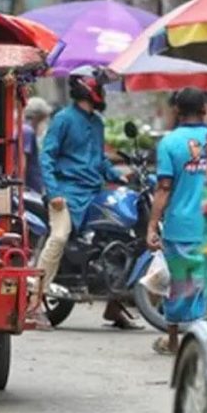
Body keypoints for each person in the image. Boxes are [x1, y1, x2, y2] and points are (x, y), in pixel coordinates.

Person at [36, 66, 137, 329]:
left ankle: (114, 307)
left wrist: (119, 175)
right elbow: (47, 156)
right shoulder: (64, 119)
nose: (103, 92)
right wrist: (54, 193)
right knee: (58, 236)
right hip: (66, 192)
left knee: (120, 236)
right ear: (88, 87)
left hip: (93, 191)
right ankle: (33, 302)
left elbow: (99, 159)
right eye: (100, 87)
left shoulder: (97, 123)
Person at [146, 88, 207, 354]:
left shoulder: (170, 143)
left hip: (179, 227)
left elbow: (163, 187)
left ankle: (173, 341)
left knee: (179, 284)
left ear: (176, 111)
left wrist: (151, 226)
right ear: (205, 109)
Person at [22, 97, 52, 193]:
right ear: (38, 117)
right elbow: (23, 159)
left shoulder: (26, 130)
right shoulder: (27, 131)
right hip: (30, 188)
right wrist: (21, 186)